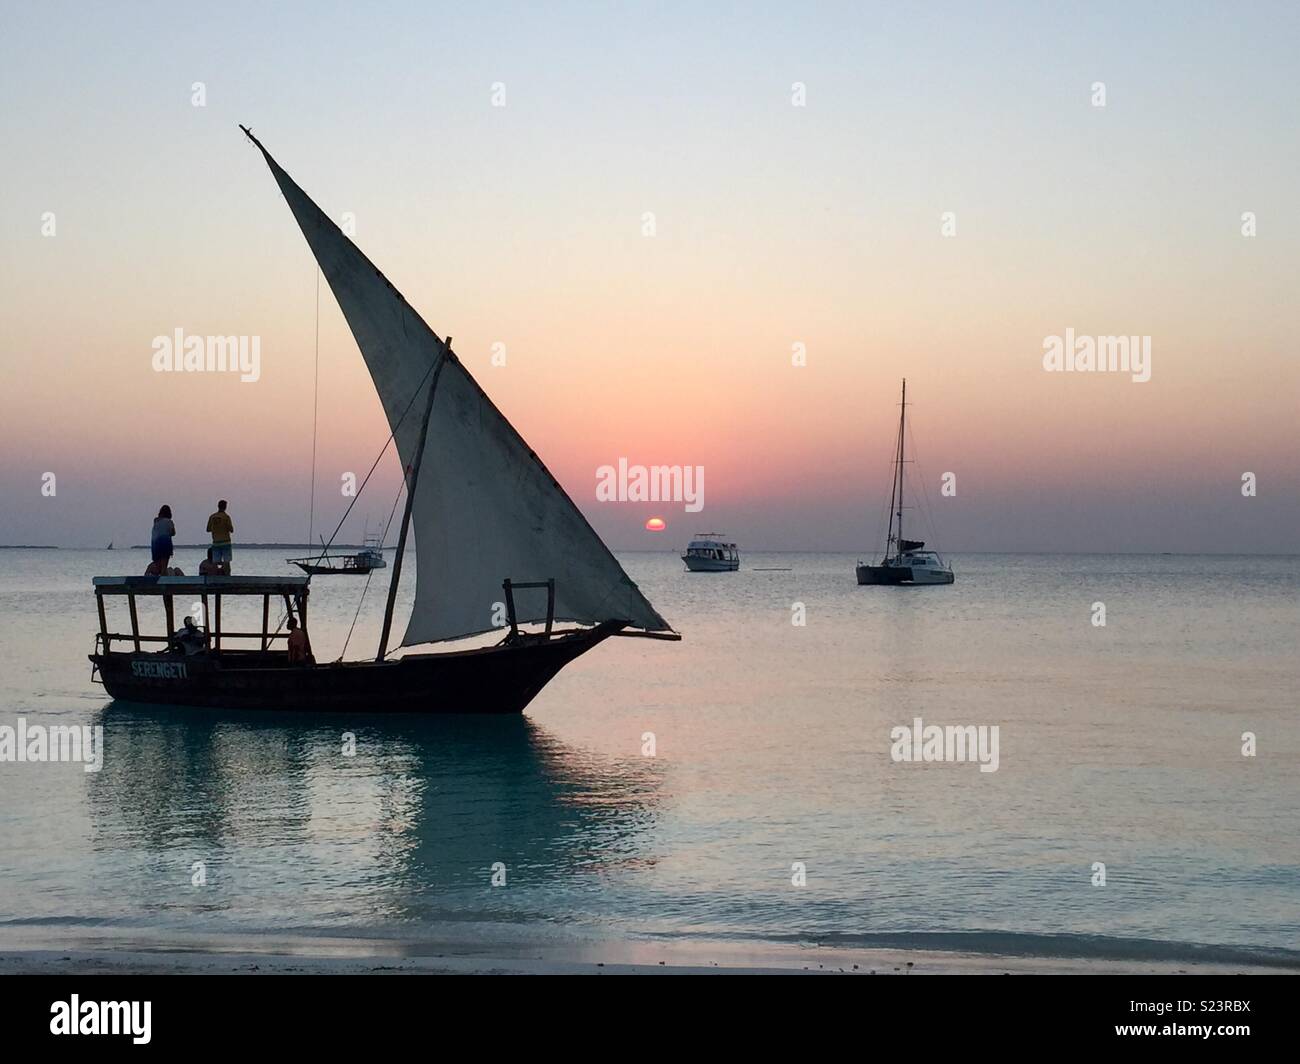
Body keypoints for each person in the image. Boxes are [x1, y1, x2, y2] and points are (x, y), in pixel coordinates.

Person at [206, 500, 234, 574]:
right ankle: (227, 577)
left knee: (215, 562)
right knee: (226, 562)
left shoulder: (212, 517)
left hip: (216, 543)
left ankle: (215, 577)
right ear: (225, 507)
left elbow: (208, 529)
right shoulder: (226, 517)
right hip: (226, 542)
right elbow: (231, 529)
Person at [150, 506, 175, 574]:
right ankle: (163, 579)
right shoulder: (169, 521)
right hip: (165, 543)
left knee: (158, 567)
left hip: (155, 543)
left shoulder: (156, 520)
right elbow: (173, 533)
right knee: (164, 567)